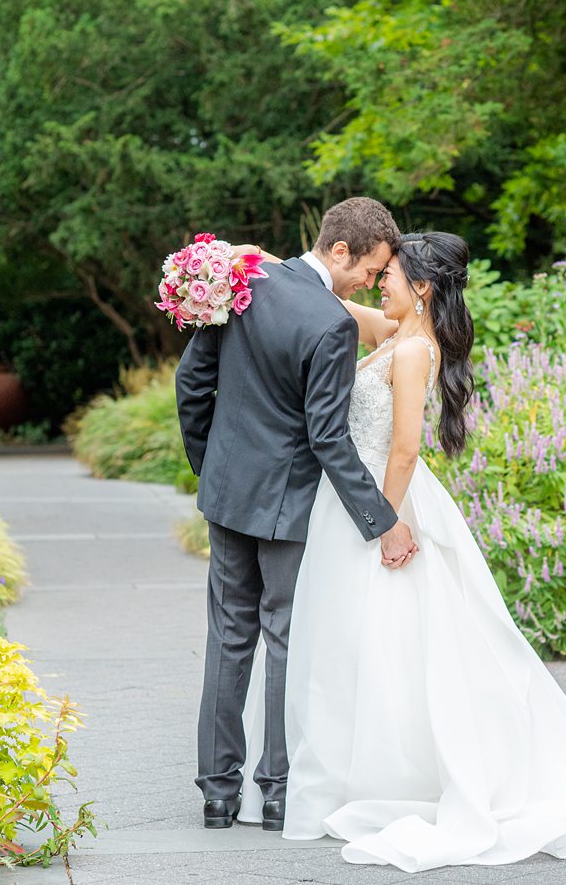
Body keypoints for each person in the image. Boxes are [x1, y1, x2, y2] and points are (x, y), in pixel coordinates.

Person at [236, 232, 566, 872]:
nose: (380, 280)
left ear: (422, 286)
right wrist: (270, 265)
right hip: (351, 502)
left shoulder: (411, 349)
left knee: (388, 641)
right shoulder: (394, 330)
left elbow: (405, 448)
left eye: (391, 274)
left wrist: (383, 523)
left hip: (382, 505)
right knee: (352, 642)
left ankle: (387, 775)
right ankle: (349, 767)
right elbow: (327, 301)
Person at [174, 197, 419, 834]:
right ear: (340, 251)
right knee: (284, 638)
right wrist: (382, 518)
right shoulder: (329, 325)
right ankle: (277, 789)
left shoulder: (243, 285)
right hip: (288, 506)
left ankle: (217, 794)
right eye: (370, 268)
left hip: (228, 496)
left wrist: (212, 466)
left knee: (229, 639)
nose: (370, 280)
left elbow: (192, 384)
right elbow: (327, 437)